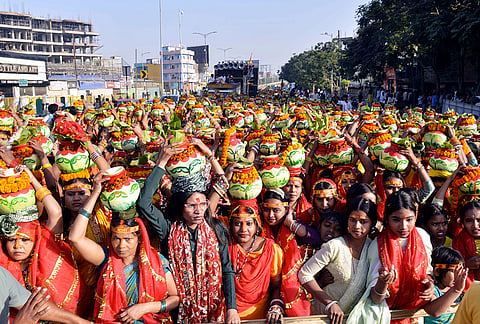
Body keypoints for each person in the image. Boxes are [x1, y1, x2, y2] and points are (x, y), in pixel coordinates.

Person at [137, 139, 240, 324]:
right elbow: (144, 203)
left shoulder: (216, 228)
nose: (198, 210)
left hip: (214, 309)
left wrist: (232, 308)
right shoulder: (168, 228)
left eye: (202, 204)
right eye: (192, 205)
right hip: (179, 309)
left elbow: (227, 270)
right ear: (180, 207)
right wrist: (161, 162)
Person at [69, 170, 179, 323]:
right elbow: (75, 238)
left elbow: (176, 298)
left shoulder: (156, 261)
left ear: (139, 237)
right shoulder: (106, 259)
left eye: (127, 239)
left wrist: (145, 308)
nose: (121, 245)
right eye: (116, 238)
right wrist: (95, 194)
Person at [0, 165, 88, 321]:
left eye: (25, 240)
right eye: (12, 240)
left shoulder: (45, 245)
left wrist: (31, 178)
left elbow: (55, 212)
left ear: (35, 239)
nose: (18, 246)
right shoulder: (2, 265)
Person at [347, 190, 434, 324]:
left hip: (415, 314)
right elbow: (375, 299)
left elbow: (427, 272)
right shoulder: (378, 246)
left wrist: (429, 285)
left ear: (416, 216)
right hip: (389, 317)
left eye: (409, 219)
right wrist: (383, 283)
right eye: (396, 220)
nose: (403, 226)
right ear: (387, 218)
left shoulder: (422, 237)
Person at [299, 197, 377, 323]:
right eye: (352, 220)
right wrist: (330, 303)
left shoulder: (372, 247)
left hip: (354, 319)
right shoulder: (335, 246)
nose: (356, 226)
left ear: (372, 223)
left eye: (363, 222)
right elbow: (304, 274)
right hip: (324, 317)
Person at [261, 189, 320, 316]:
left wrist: (291, 224)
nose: (270, 215)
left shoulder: (295, 230)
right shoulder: (257, 230)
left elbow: (317, 239)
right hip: (264, 289)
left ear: (287, 210)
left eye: (276, 210)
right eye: (267, 210)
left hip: (293, 289)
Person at [228, 205, 284, 322]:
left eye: (249, 224)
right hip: (228, 315)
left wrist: (275, 306)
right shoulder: (225, 246)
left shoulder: (271, 249)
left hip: (260, 317)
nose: (243, 229)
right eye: (237, 224)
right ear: (230, 226)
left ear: (256, 225)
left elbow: (276, 285)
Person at [424, 247, 467, 324]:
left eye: (460, 271)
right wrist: (456, 290)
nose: (458, 275)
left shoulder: (461, 291)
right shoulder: (431, 289)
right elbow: (435, 312)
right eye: (454, 271)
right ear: (437, 271)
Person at [452, 200, 480, 290]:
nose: (475, 226)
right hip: (467, 292)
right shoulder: (457, 242)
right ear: (462, 222)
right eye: (469, 221)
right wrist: (466, 264)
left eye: (479, 220)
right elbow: (450, 271)